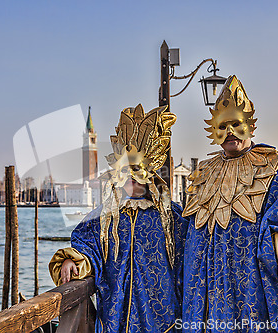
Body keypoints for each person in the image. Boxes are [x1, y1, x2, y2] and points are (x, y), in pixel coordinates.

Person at [181, 75, 278, 332]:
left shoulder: (276, 168)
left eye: (236, 124)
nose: (230, 131)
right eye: (223, 125)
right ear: (213, 128)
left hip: (251, 291)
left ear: (250, 125)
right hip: (205, 293)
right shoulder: (202, 173)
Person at [49, 104, 188, 332]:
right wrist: (71, 260)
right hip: (116, 314)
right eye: (127, 171)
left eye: (139, 171)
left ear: (151, 173)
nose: (132, 179)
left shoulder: (173, 218)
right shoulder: (103, 218)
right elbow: (88, 248)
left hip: (162, 316)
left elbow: (191, 262)